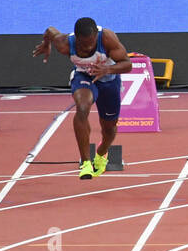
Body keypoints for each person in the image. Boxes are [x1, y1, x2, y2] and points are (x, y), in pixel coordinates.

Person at [32, 17, 133, 180]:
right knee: (83, 106)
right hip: (83, 76)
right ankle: (86, 162)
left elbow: (127, 65)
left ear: (96, 36)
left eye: (91, 43)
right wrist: (46, 44)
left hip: (108, 78)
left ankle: (101, 153)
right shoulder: (64, 43)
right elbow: (50, 30)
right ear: (76, 38)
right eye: (83, 44)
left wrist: (107, 69)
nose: (87, 47)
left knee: (109, 128)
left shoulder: (107, 38)